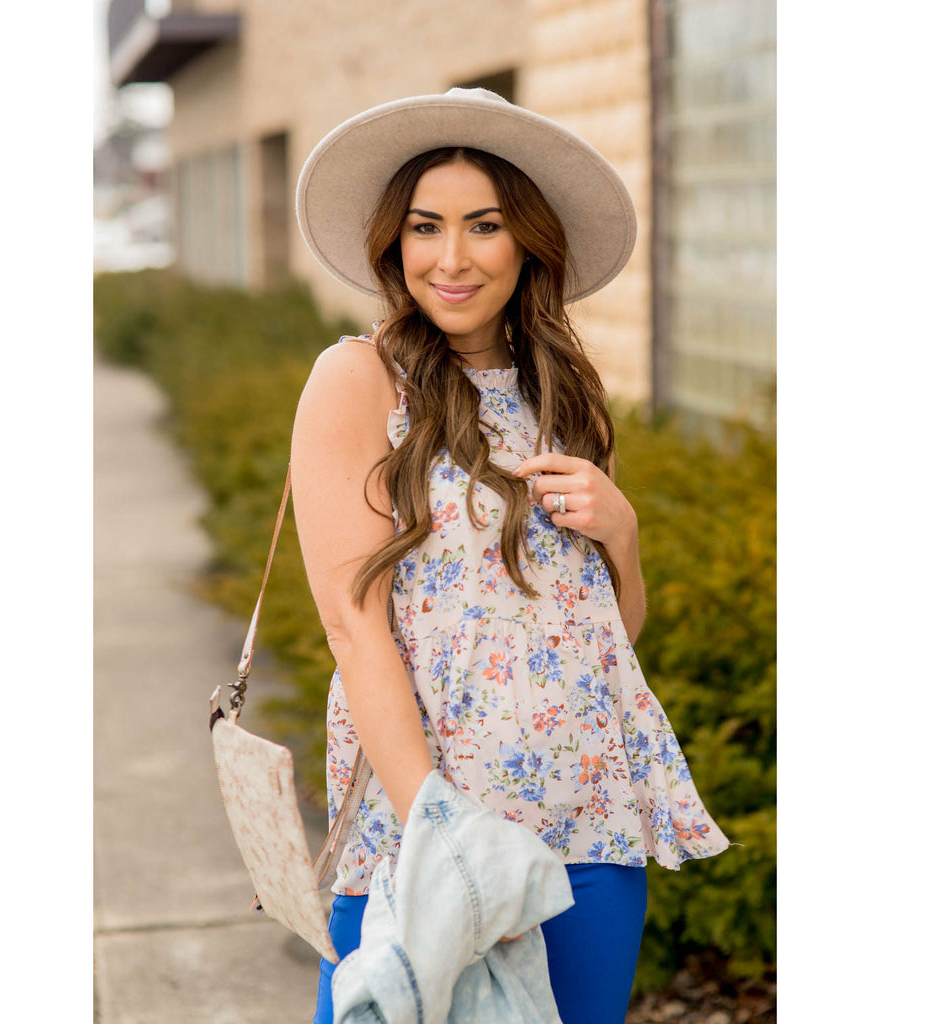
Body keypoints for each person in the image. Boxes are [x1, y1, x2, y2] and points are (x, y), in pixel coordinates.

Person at [290, 88, 729, 1024]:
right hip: (425, 828)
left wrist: (623, 533)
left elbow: (607, 638)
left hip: (585, 821)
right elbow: (351, 627)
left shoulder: (568, 395)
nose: (451, 258)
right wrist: (442, 837)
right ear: (393, 243)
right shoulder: (358, 378)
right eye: (425, 226)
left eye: (483, 225)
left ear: (527, 239)